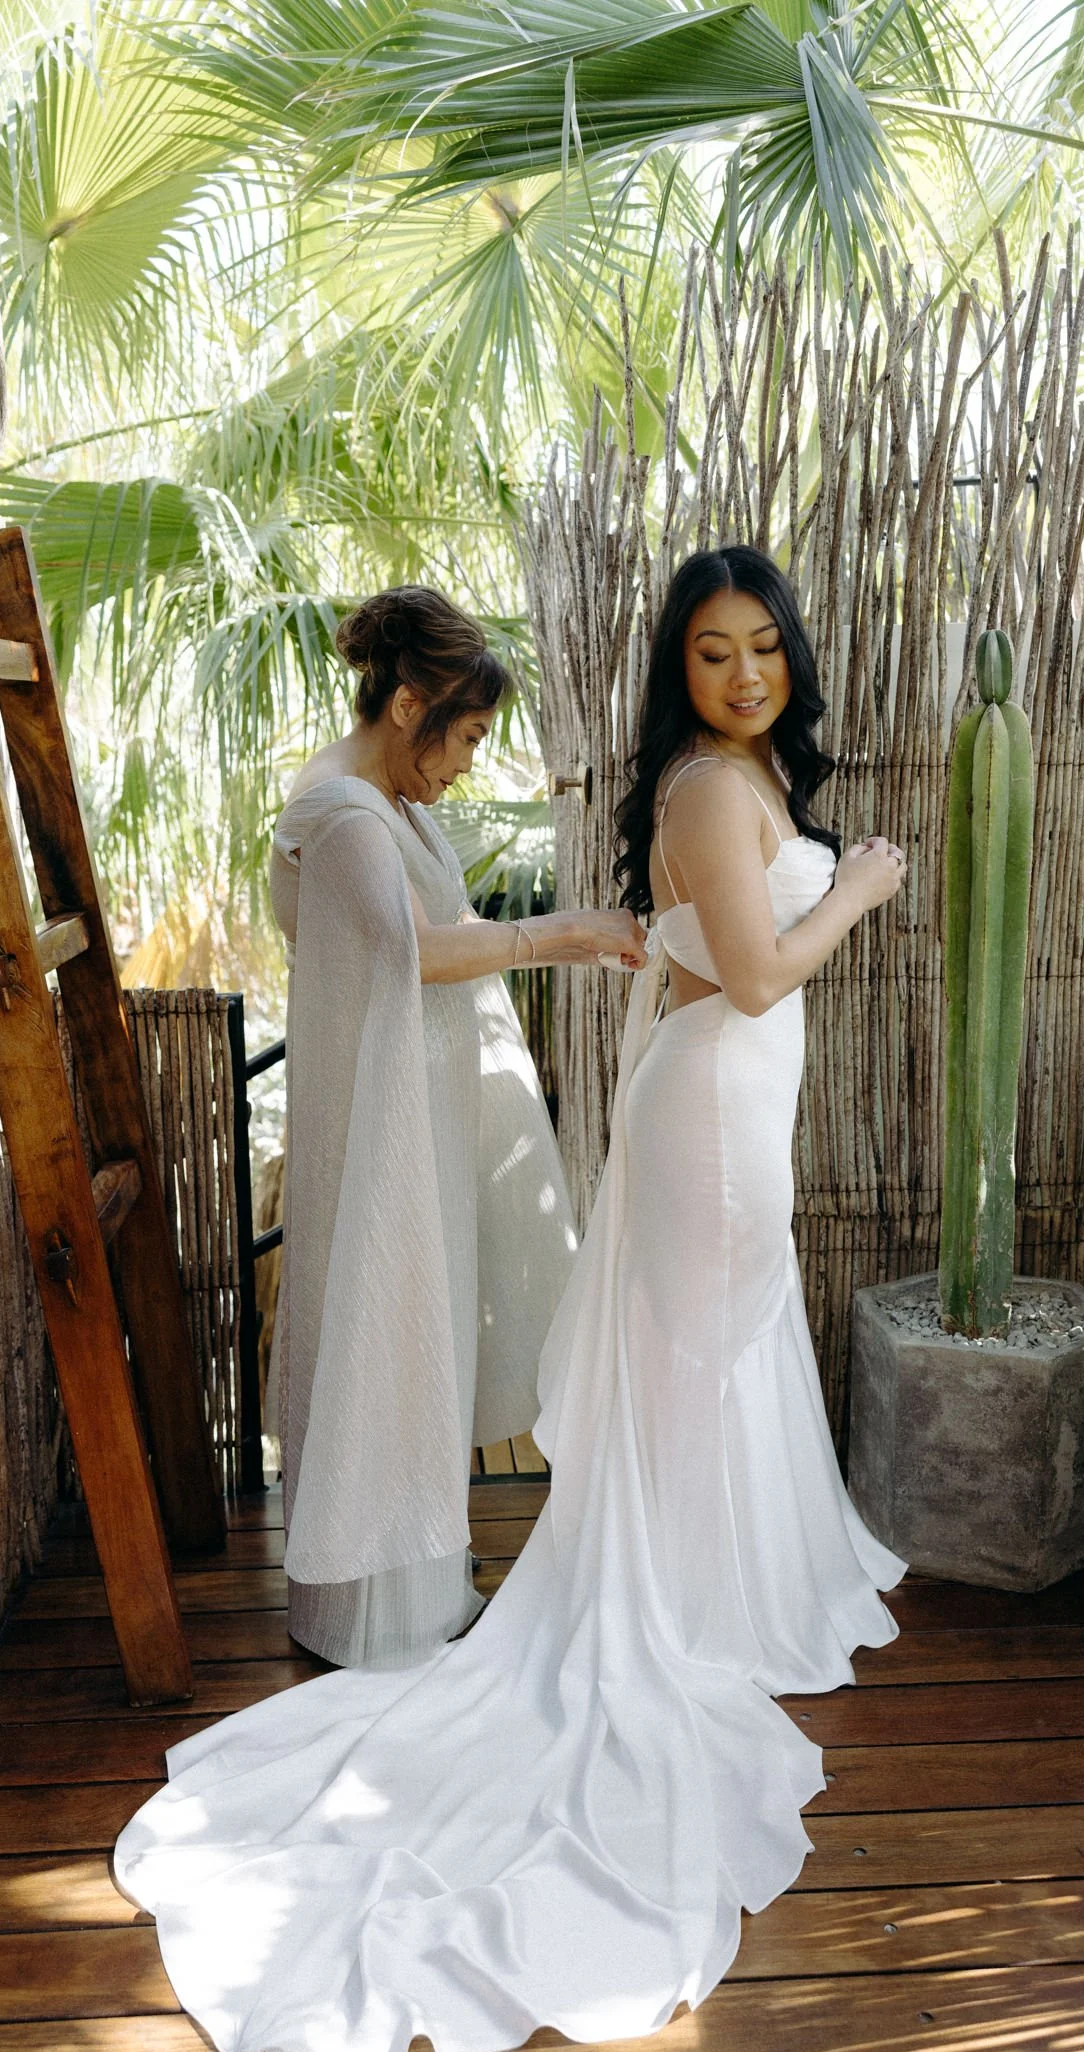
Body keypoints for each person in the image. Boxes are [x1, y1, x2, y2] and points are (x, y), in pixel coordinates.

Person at [114, 546, 907, 2052]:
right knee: (691, 1352)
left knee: (719, 1345)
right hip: (696, 1098)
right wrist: (859, 890)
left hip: (722, 1105)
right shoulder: (680, 794)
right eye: (709, 655)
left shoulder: (703, 783)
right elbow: (748, 978)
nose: (742, 676)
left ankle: (707, 1579)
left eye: (761, 649)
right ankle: (665, 1600)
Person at [263, 587, 645, 1669]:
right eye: (467, 734)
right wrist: (561, 932)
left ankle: (419, 1581)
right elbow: (412, 951)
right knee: (384, 1333)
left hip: (411, 1117)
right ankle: (367, 1611)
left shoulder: (391, 800)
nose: (469, 761)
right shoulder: (341, 816)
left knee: (413, 1332)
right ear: (407, 702)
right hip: (376, 1130)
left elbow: (437, 929)